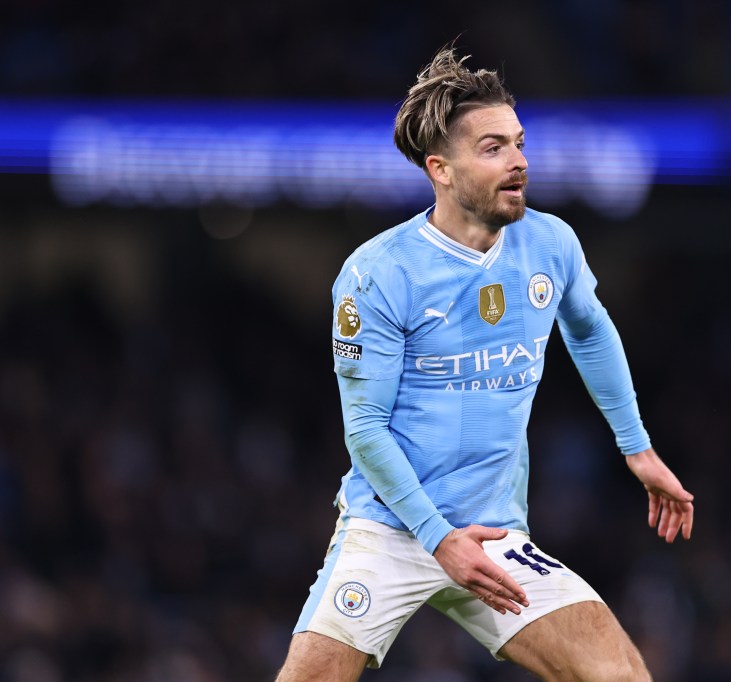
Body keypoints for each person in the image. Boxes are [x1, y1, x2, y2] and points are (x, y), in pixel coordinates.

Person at [276, 46, 695, 682]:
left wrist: (637, 448)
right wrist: (438, 540)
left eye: (520, 143)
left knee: (621, 676)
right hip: (394, 528)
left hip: (495, 534)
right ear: (441, 169)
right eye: (494, 147)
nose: (521, 161)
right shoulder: (378, 273)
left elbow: (589, 329)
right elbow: (364, 430)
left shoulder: (549, 243)